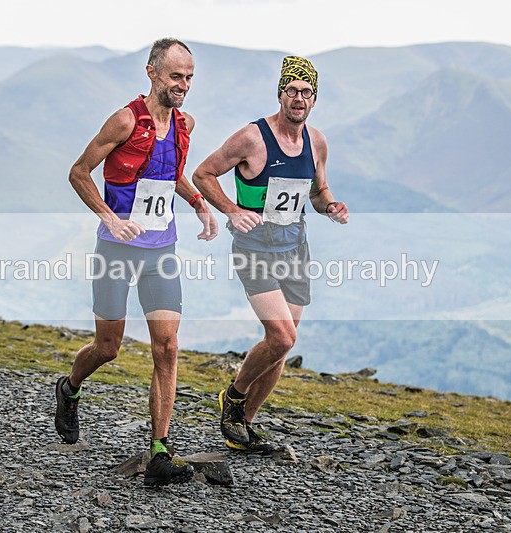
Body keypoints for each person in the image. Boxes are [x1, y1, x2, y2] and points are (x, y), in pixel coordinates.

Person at [54, 38, 218, 486]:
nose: (183, 85)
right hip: (116, 249)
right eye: (175, 77)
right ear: (152, 73)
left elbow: (169, 173)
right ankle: (69, 388)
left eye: (189, 78)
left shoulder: (185, 124)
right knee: (108, 347)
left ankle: (160, 451)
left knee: (166, 347)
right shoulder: (125, 119)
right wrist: (111, 217)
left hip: (160, 251)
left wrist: (199, 203)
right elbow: (78, 172)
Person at [192, 55, 349, 452]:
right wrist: (231, 209)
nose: (299, 98)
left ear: (314, 99)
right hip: (255, 249)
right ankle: (234, 396)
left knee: (282, 347)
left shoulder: (316, 141)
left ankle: (243, 427)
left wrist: (330, 205)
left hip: (295, 247)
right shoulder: (252, 137)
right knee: (281, 337)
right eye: (292, 90)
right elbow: (203, 174)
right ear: (280, 94)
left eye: (306, 92)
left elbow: (317, 191)